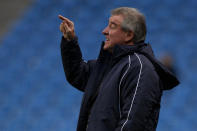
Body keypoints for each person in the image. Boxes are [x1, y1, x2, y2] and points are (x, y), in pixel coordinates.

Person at [59, 7, 179, 131]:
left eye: (112, 26)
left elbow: (132, 123)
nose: (104, 31)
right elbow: (78, 74)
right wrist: (69, 41)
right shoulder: (112, 65)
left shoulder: (141, 68)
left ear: (129, 35)